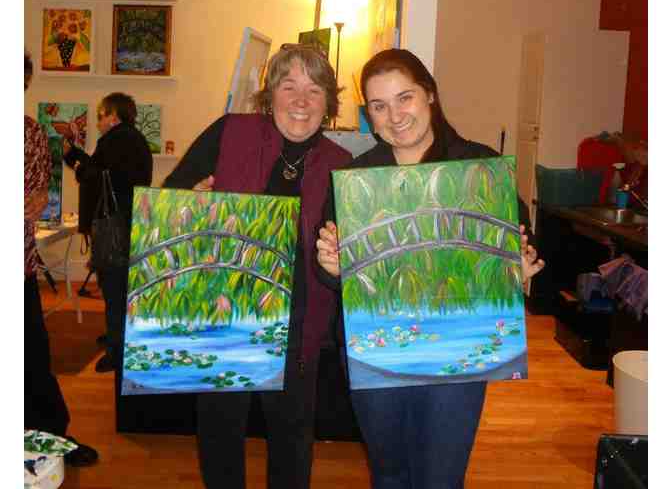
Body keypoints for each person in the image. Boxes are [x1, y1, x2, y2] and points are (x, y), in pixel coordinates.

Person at [316, 48, 545, 489]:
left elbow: (520, 240)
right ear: (369, 114)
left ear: (430, 95)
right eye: (379, 106)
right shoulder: (356, 178)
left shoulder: (477, 167)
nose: (394, 116)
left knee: (440, 476)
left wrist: (515, 266)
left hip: (457, 350)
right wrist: (331, 267)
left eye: (405, 98)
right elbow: (333, 272)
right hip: (376, 350)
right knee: (389, 473)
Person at [163, 43, 352, 489]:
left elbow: (340, 266)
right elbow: (172, 195)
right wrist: (189, 203)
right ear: (270, 95)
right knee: (219, 436)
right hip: (224, 318)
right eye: (289, 87)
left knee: (292, 441)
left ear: (328, 103)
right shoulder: (231, 132)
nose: (301, 100)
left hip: (298, 329)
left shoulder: (341, 166)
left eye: (314, 89)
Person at [24, 50, 99, 467]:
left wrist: (34, 200)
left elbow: (37, 195)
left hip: (19, 268)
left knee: (33, 360)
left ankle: (49, 437)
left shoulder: (30, 132)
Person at [63, 92, 153, 373]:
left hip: (114, 226)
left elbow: (95, 175)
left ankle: (117, 350)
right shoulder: (131, 139)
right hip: (126, 221)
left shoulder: (116, 141)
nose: (99, 121)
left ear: (114, 117)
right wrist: (76, 157)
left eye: (101, 115)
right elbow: (102, 170)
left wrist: (77, 163)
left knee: (114, 287)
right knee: (119, 285)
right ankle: (117, 336)